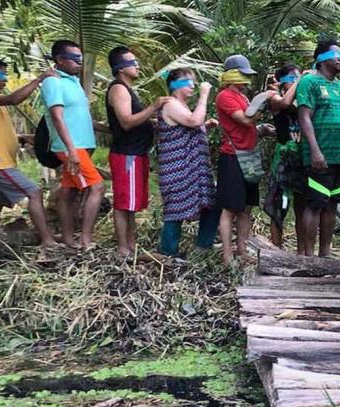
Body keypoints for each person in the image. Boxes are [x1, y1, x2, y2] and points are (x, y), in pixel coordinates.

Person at [0, 57, 57, 247]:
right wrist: (38, 79)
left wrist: (22, 138)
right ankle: (47, 239)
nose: (5, 80)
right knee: (34, 192)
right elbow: (14, 99)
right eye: (2, 75)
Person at [295, 38, 340, 257]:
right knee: (314, 204)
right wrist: (314, 151)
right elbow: (304, 117)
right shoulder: (309, 83)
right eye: (336, 55)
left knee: (332, 204)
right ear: (322, 59)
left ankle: (325, 253)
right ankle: (310, 257)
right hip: (318, 155)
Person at [105, 46, 167, 257]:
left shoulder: (126, 89)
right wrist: (154, 106)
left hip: (136, 153)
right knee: (123, 203)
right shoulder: (119, 89)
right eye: (132, 62)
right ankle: (123, 248)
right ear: (121, 68)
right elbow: (126, 122)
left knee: (131, 203)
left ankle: (131, 245)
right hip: (126, 153)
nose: (137, 65)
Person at [41, 40, 102, 248]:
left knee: (68, 192)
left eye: (81, 58)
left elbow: (77, 115)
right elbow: (57, 116)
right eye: (75, 59)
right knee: (97, 187)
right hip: (70, 147)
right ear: (60, 60)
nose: (80, 63)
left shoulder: (73, 82)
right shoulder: (53, 82)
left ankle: (68, 239)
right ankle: (86, 241)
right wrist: (71, 150)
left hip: (80, 145)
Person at [155, 68, 219, 259]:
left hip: (193, 169)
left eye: (193, 82)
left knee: (210, 205)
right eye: (187, 82)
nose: (193, 85)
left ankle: (203, 246)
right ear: (175, 85)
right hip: (178, 169)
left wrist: (203, 126)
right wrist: (204, 95)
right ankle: (168, 253)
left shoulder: (181, 106)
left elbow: (186, 129)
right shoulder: (171, 104)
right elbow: (193, 120)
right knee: (175, 211)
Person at [215, 54, 262, 266]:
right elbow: (244, 119)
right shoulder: (225, 96)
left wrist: (260, 128)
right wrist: (263, 101)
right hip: (232, 157)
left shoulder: (242, 97)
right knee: (230, 207)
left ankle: (242, 249)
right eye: (243, 75)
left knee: (246, 207)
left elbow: (249, 124)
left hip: (249, 155)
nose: (247, 80)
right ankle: (227, 253)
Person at [263, 63, 303, 249]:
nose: (296, 81)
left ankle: (304, 253)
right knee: (279, 207)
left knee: (302, 207)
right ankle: (276, 250)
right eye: (292, 79)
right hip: (284, 158)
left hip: (303, 156)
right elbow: (286, 103)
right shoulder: (275, 99)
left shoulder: (304, 99)